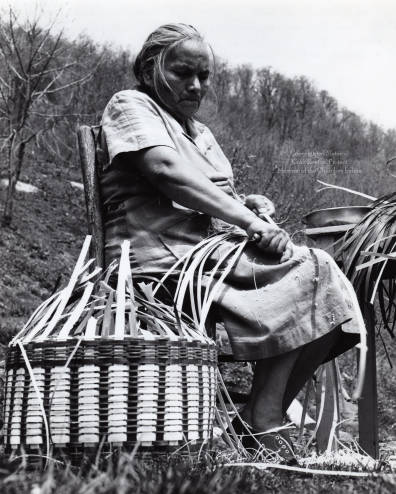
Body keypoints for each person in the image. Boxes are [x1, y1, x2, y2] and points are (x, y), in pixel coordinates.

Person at [100, 23, 361, 463]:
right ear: (149, 69)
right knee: (312, 270)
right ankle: (263, 418)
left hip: (209, 255)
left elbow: (212, 194)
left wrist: (247, 204)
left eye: (204, 77)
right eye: (184, 73)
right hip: (160, 256)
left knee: (332, 293)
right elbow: (164, 170)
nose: (196, 85)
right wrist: (246, 220)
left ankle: (259, 415)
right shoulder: (131, 106)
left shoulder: (199, 132)